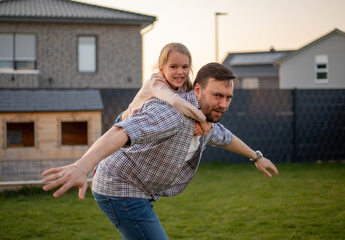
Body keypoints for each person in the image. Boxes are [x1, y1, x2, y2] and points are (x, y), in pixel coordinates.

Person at [42, 62, 278, 240]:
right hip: (121, 188)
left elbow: (224, 137)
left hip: (139, 190)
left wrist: (257, 157)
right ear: (197, 90)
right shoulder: (171, 113)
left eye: (228, 97)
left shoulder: (204, 121)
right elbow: (120, 131)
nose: (223, 104)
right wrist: (81, 166)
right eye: (217, 95)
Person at [120, 42, 212, 135]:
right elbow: (174, 101)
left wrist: (206, 123)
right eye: (173, 67)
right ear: (161, 69)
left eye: (184, 67)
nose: (180, 72)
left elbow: (196, 103)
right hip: (126, 123)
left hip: (149, 125)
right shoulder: (155, 82)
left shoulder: (185, 85)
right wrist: (203, 119)